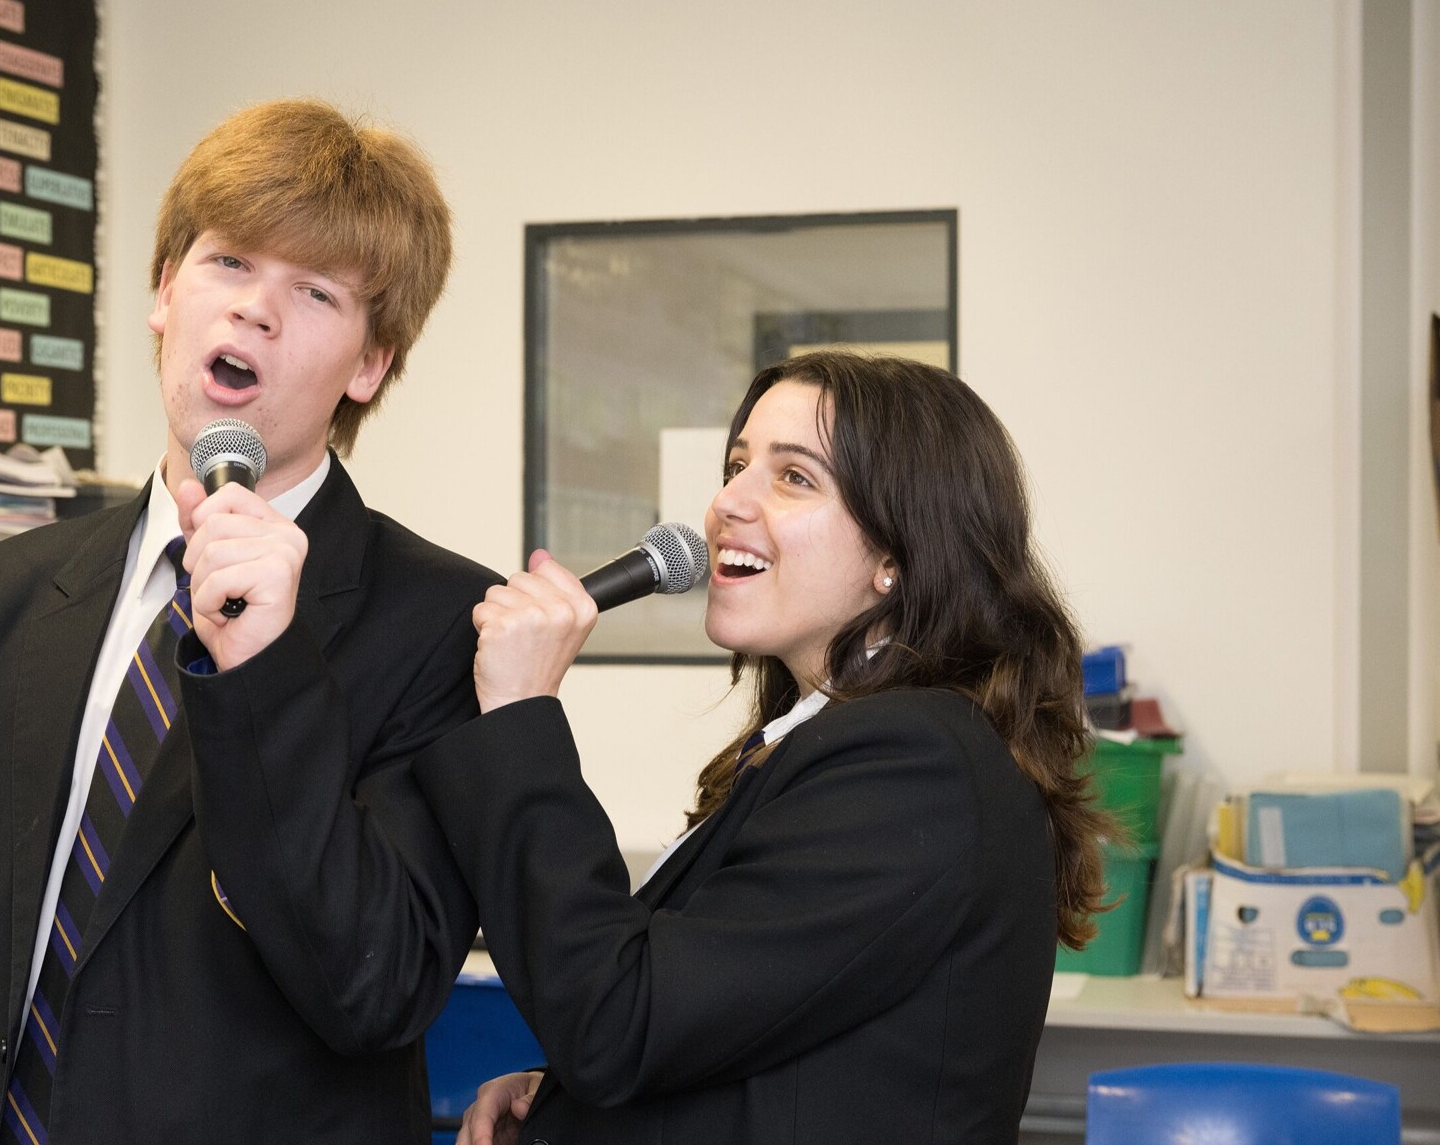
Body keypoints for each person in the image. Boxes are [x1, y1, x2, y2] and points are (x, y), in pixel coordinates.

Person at [0, 99, 497, 1144]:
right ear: (163, 293)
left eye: (312, 291)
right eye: (226, 264)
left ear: (367, 365)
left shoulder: (450, 627)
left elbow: (373, 990)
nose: (254, 311)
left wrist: (264, 671)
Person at [417, 351, 1112, 1144]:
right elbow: (752, 1031)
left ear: (898, 553)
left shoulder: (917, 764)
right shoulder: (823, 744)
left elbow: (620, 1022)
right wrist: (567, 1101)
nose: (726, 503)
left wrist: (519, 715)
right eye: (737, 465)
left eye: (794, 478)